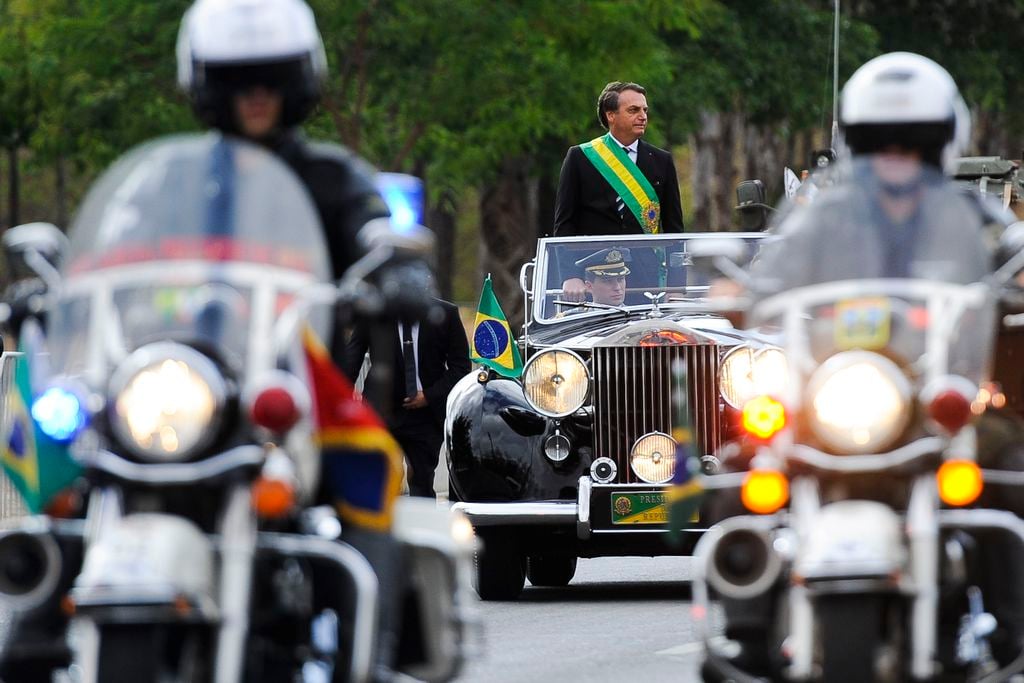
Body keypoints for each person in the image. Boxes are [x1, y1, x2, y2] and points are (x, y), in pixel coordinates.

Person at [708, 52, 1024, 677]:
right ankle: (746, 633)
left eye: (913, 142)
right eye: (881, 143)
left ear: (939, 146)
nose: (897, 155)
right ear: (858, 146)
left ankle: (1012, 633)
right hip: (835, 392)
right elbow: (769, 275)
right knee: (741, 466)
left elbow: (1010, 253)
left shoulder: (974, 216)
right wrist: (737, 290)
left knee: (1009, 464)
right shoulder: (821, 217)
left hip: (932, 395)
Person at [553, 81, 685, 301]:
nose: (642, 116)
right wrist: (570, 276)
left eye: (645, 110)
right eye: (633, 110)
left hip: (646, 279)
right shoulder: (580, 157)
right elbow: (564, 223)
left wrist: (676, 287)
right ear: (610, 115)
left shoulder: (662, 161)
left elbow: (674, 231)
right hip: (593, 278)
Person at [342, 299, 471, 499]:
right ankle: (380, 527)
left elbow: (460, 367)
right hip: (381, 410)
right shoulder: (373, 315)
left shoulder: (446, 315)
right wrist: (339, 398)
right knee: (381, 478)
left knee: (421, 480)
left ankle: (422, 526)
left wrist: (428, 395)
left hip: (425, 416)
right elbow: (352, 359)